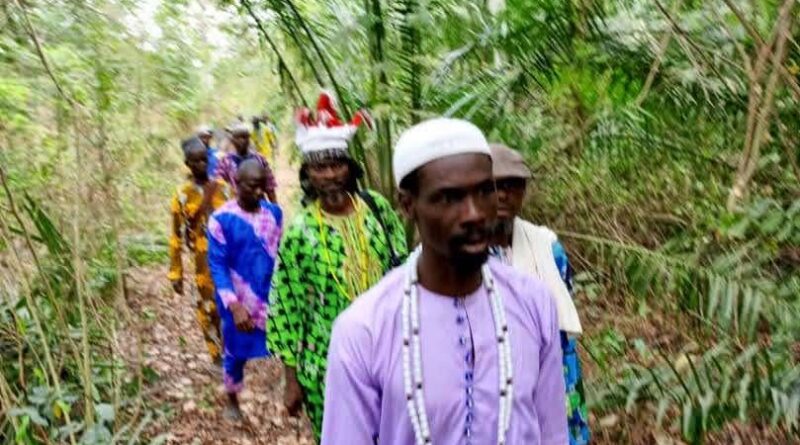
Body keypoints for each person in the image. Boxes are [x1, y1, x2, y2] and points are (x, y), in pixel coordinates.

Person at [322, 118, 568, 444]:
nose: (474, 214)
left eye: (484, 191)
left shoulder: (534, 303)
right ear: (408, 205)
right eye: (448, 198)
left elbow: (553, 433)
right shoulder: (363, 331)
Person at [267, 92, 407, 440]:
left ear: (350, 167)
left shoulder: (377, 210)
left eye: (336, 165)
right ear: (307, 174)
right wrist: (291, 379)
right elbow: (286, 307)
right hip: (327, 364)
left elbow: (405, 270)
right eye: (319, 167)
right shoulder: (299, 231)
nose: (329, 175)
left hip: (388, 353)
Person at [490, 143, 589, 445]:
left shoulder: (547, 247)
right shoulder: (463, 254)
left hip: (552, 364)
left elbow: (562, 299)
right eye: (496, 186)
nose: (505, 194)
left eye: (514, 186)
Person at [207, 159, 283, 420]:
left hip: (270, 296)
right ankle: (232, 398)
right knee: (235, 352)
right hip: (237, 301)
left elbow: (279, 254)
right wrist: (235, 305)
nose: (259, 192)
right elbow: (217, 265)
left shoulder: (274, 214)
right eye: (252, 186)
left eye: (262, 186)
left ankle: (289, 390)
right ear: (236, 183)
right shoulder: (220, 219)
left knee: (285, 343)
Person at [168, 137, 230, 365]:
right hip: (202, 261)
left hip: (227, 258)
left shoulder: (223, 190)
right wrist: (176, 273)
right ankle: (215, 355)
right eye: (196, 162)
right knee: (207, 307)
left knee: (229, 304)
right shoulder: (182, 195)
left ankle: (229, 350)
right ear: (187, 164)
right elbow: (175, 236)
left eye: (204, 160)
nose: (202, 165)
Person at [214, 122, 278, 203]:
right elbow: (219, 184)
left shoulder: (259, 159)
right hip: (236, 205)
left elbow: (269, 184)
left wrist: (274, 205)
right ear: (232, 140)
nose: (242, 141)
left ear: (249, 139)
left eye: (244, 137)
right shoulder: (225, 161)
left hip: (259, 203)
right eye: (238, 138)